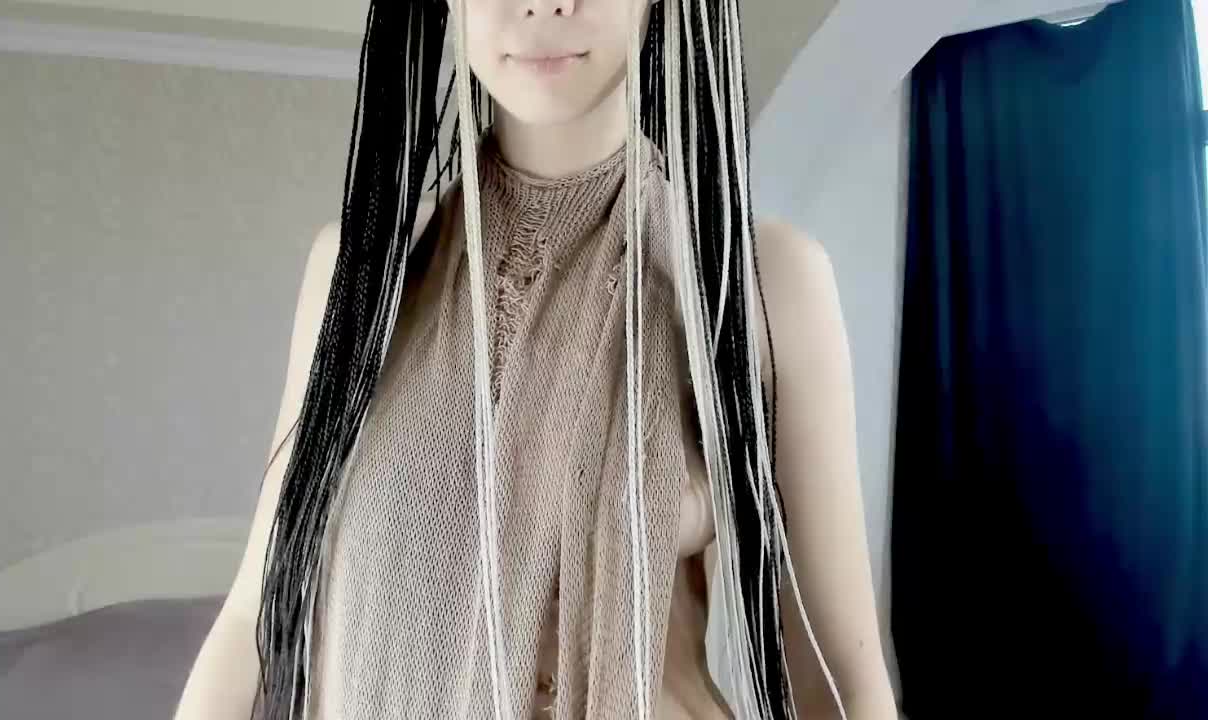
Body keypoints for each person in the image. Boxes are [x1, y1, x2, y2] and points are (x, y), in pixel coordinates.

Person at [174, 0, 896, 718]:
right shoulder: (360, 276)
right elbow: (251, 621)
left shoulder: (758, 281)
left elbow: (840, 682)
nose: (544, 3)